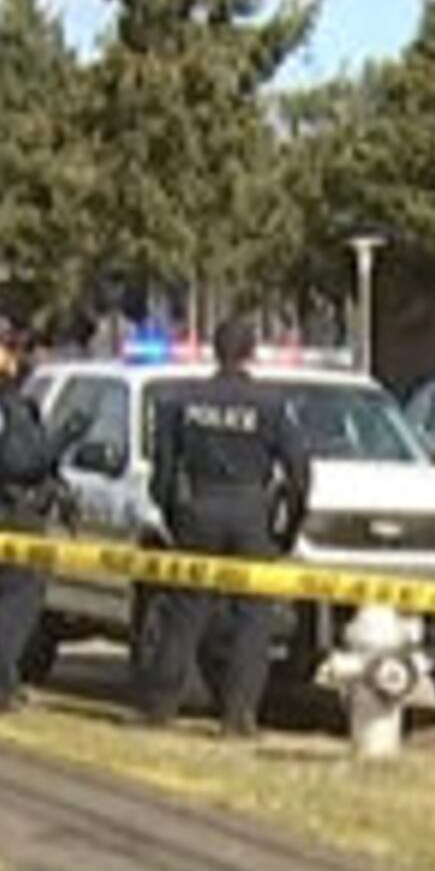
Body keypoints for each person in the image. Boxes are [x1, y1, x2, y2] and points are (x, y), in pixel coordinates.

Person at [138, 315, 313, 737]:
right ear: (251, 352)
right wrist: (287, 529)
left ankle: (161, 707)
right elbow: (299, 473)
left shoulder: (181, 400)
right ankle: (239, 714)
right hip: (252, 514)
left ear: (215, 351)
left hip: (199, 509)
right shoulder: (271, 405)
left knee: (185, 612)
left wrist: (173, 516)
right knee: (253, 619)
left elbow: (162, 472)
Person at [0, 313, 74, 716]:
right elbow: (10, 460)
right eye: (7, 348)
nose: (14, 356)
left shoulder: (9, 396)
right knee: (14, 604)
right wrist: (57, 445)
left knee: (23, 604)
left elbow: (28, 450)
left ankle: (0, 680)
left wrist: (55, 484)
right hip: (6, 512)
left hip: (26, 510)